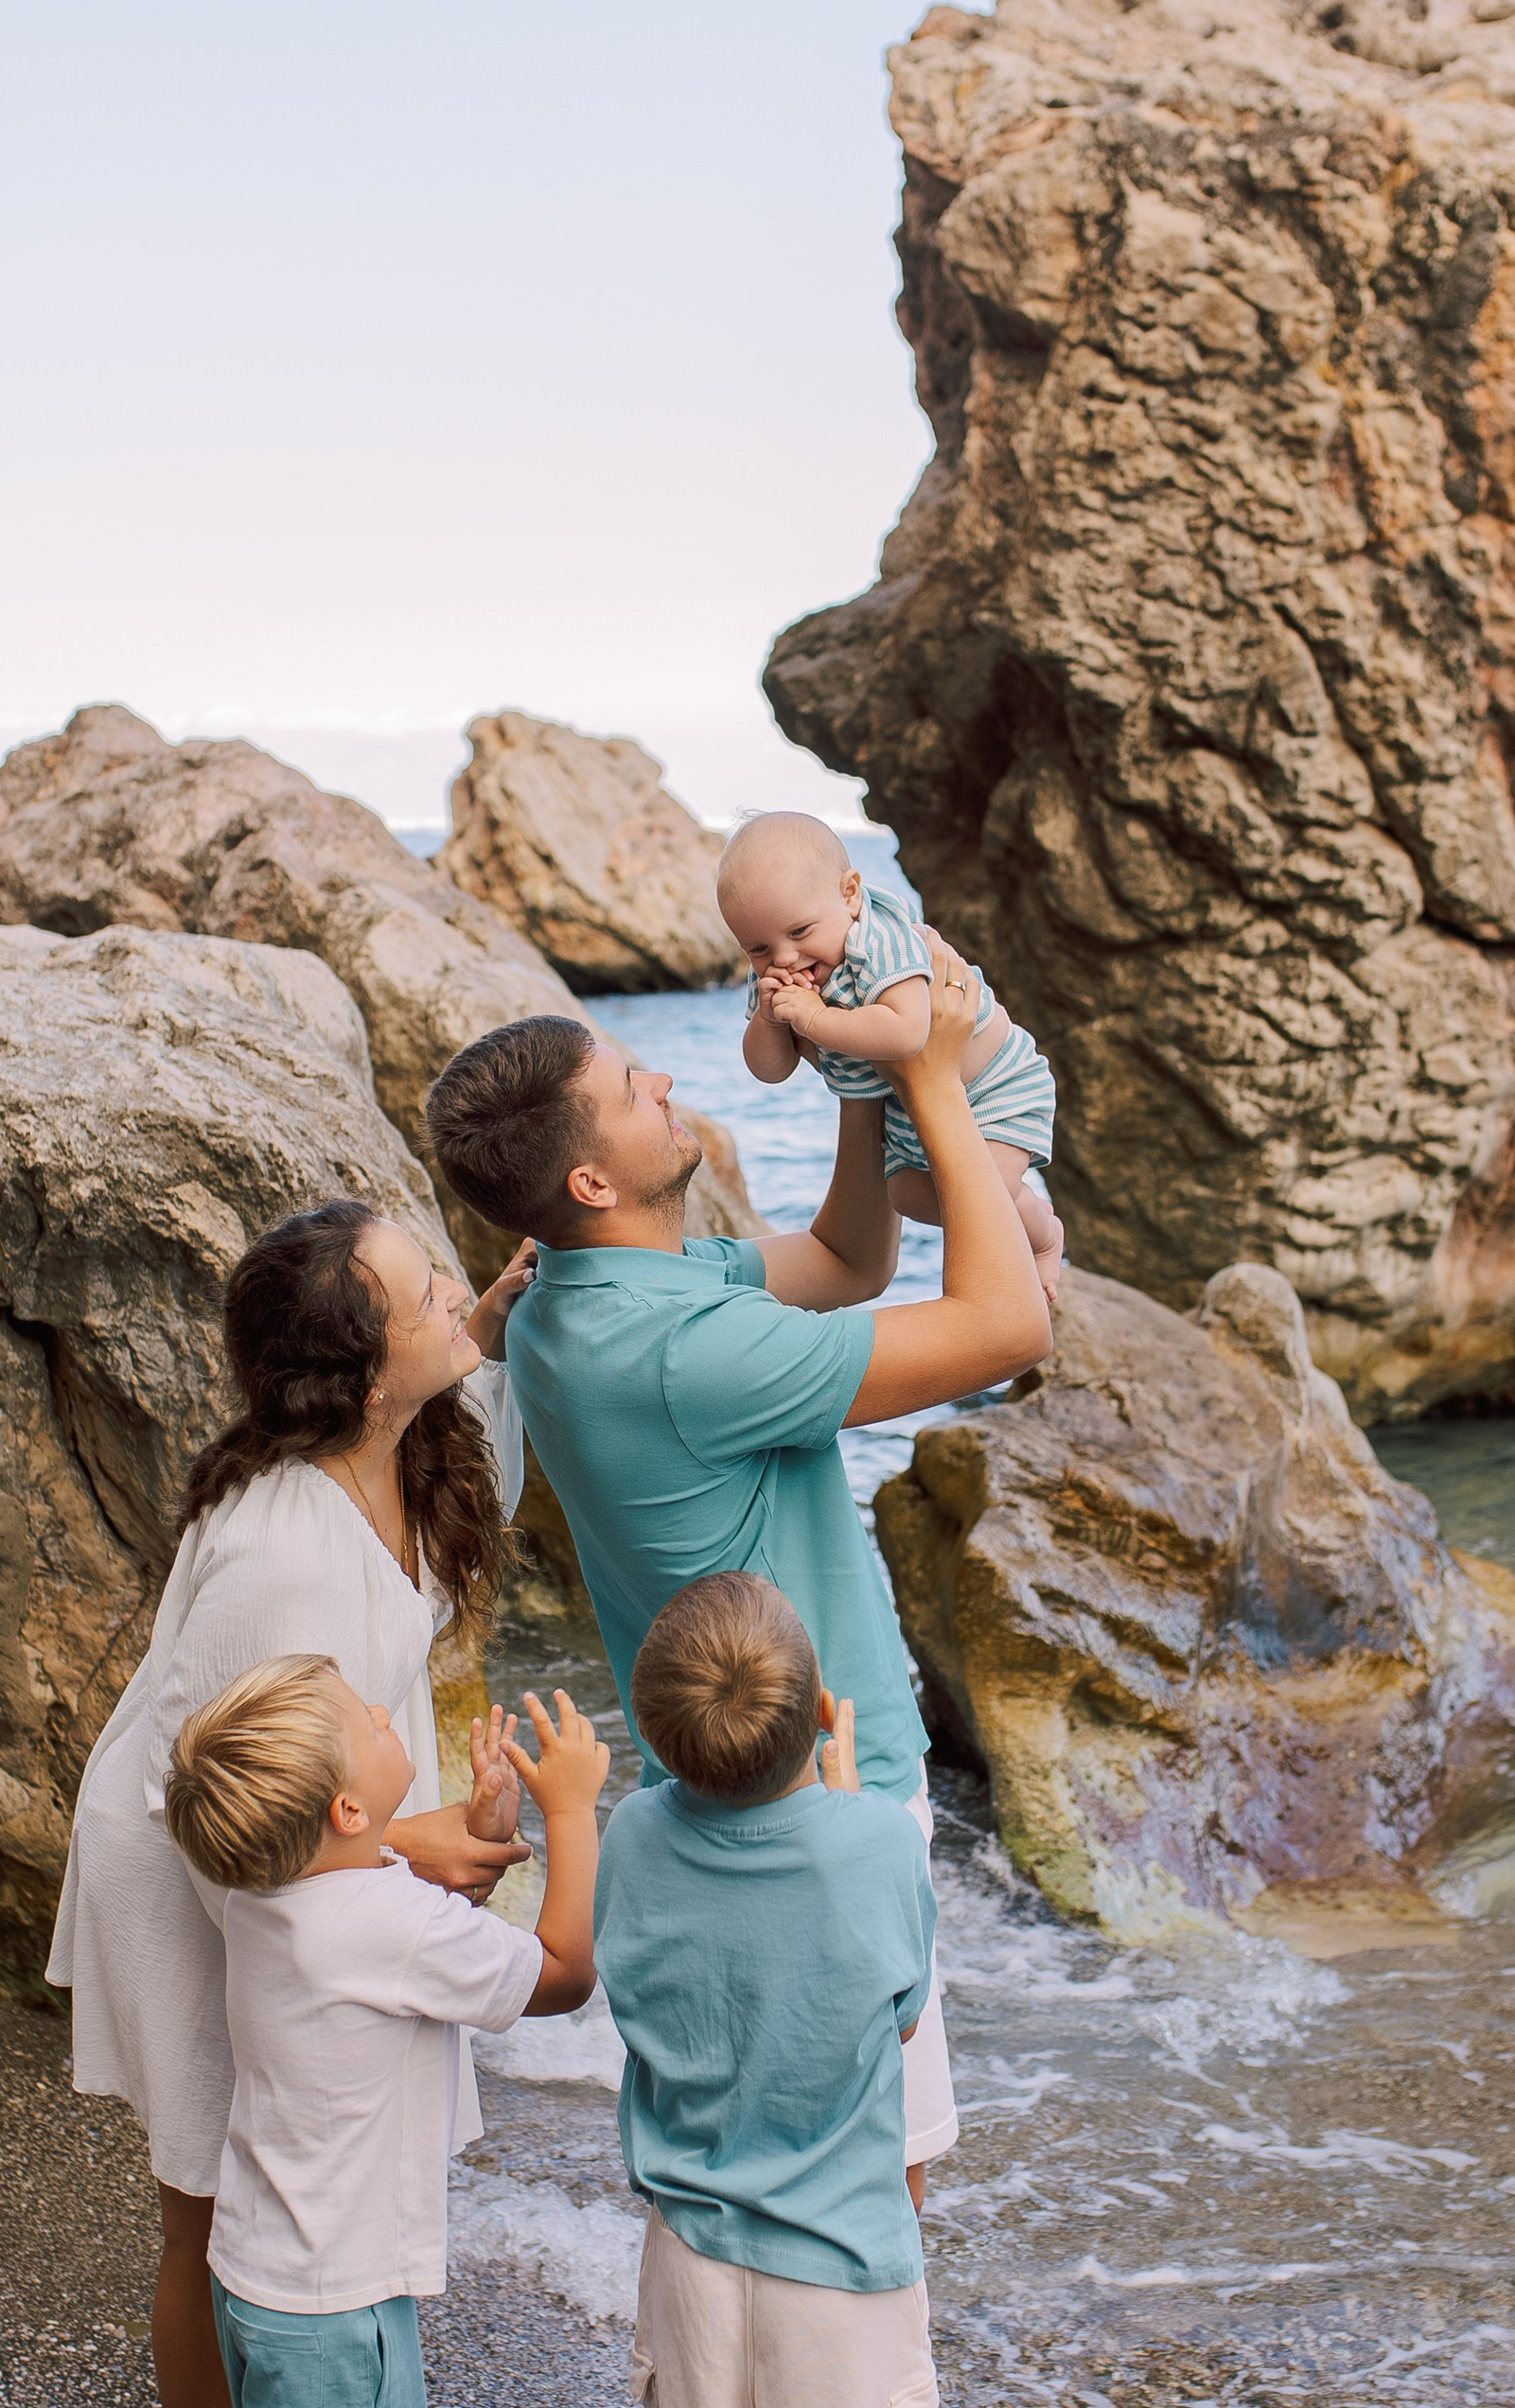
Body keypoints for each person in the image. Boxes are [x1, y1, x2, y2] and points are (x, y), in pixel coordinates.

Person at [422, 935, 1049, 2205]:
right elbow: (1007, 1324)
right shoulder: (682, 1348)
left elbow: (850, 1265)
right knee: (876, 2180)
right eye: (631, 1086)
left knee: (759, 2168)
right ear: (593, 1176)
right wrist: (934, 1077)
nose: (664, 1081)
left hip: (724, 1781)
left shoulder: (586, 1293)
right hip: (824, 1783)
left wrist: (860, 1083)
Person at [46, 1200, 540, 2408]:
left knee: (286, 2198)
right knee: (218, 2215)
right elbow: (204, 1787)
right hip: (198, 1861)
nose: (447, 1293)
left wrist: (482, 1323)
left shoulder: (392, 1443)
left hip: (315, 1827)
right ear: (361, 1378)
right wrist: (401, 1853)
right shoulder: (285, 1557)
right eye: (423, 1293)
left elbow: (481, 1423)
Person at [165, 1657, 608, 2408]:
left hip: (255, 2271)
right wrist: (570, 1813)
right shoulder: (390, 1925)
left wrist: (486, 1824)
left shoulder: (262, 1897)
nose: (381, 1711)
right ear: (346, 1812)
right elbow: (564, 1975)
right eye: (365, 1721)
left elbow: (399, 1903)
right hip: (338, 2307)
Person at [595, 1574, 939, 2408]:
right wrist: (851, 1810)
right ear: (822, 1710)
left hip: (689, 2266)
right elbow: (898, 2020)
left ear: (654, 1728)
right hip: (843, 2283)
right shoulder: (882, 1844)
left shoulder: (633, 1832)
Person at [718, 813, 1063, 1302]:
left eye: (800, 931)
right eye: (758, 948)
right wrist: (770, 1022)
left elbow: (906, 1032)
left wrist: (814, 1021)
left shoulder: (880, 941)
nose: (785, 958)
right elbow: (770, 1071)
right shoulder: (779, 975)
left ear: (850, 893)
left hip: (994, 1088)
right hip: (907, 1112)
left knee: (985, 1194)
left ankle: (1044, 1236)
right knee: (909, 1196)